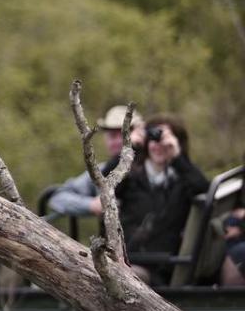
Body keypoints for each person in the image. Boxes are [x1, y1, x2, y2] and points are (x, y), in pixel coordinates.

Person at [115, 114, 208, 283]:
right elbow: (105, 182)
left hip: (162, 267)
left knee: (126, 276)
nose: (158, 146)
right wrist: (129, 147)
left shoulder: (183, 180)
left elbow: (203, 190)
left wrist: (177, 158)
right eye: (153, 139)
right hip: (128, 260)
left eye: (163, 139)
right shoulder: (132, 177)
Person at [48, 105, 142, 218]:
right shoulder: (101, 171)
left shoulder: (153, 167)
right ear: (105, 140)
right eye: (112, 136)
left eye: (124, 135)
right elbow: (58, 198)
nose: (118, 141)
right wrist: (92, 205)